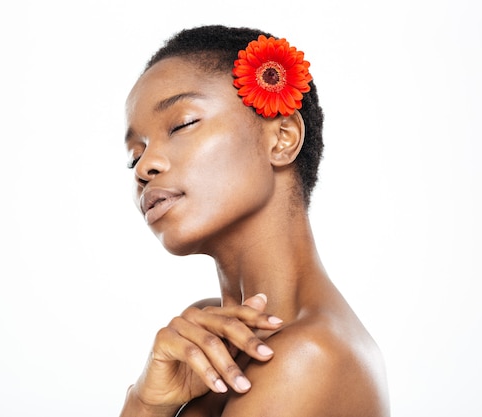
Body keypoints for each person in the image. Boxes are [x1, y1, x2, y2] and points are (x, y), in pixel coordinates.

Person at [119, 24, 390, 417]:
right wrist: (146, 402)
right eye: (134, 154)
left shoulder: (307, 356)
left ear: (281, 138)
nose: (144, 166)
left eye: (181, 125)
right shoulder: (206, 337)